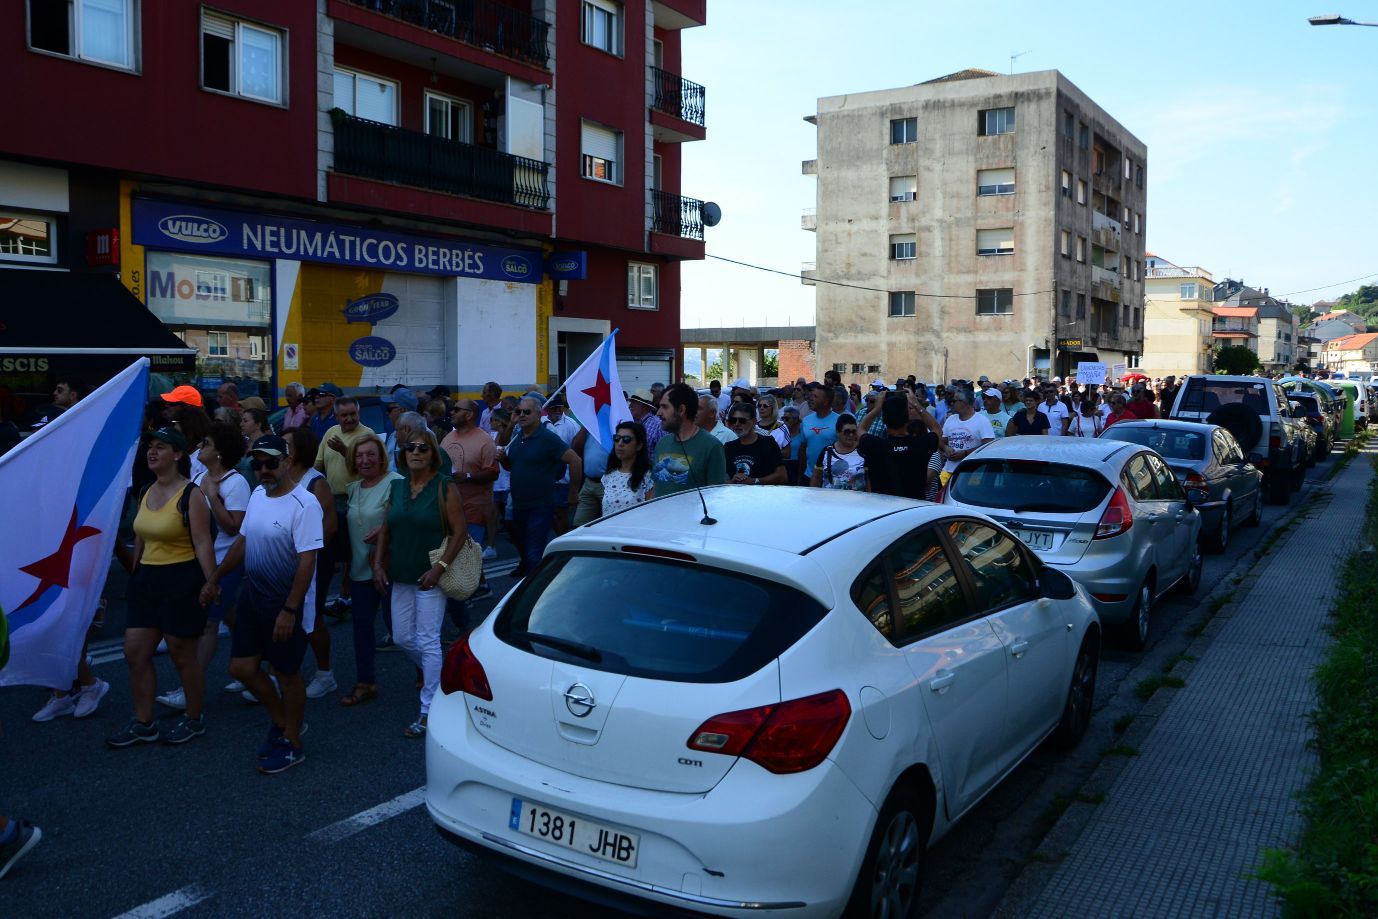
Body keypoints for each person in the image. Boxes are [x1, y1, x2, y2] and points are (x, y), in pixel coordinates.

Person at [203, 435, 323, 773]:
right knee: (240, 668)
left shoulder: (305, 504)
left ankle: (293, 744)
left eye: (271, 462)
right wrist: (215, 578)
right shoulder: (257, 495)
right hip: (252, 598)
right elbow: (243, 540)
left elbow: (307, 561)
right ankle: (284, 723)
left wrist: (289, 610)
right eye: (258, 464)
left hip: (285, 603)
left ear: (286, 461)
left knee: (286, 673)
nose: (264, 470)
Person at [107, 427, 217, 747]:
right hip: (147, 580)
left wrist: (211, 581)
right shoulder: (144, 490)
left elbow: (202, 542)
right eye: (150, 448)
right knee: (134, 651)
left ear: (178, 455)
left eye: (161, 447)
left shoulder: (191, 495)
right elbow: (140, 537)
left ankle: (194, 718)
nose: (152, 452)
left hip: (181, 580)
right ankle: (144, 722)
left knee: (183, 656)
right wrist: (134, 576)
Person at [373, 425, 465, 737]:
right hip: (400, 573)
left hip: (430, 576)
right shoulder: (397, 488)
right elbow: (386, 527)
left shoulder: (444, 487)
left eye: (422, 448)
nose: (415, 452)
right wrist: (377, 563)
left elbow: (459, 532)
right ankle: (438, 668)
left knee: (427, 639)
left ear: (434, 455)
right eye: (410, 448)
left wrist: (439, 568)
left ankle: (429, 709)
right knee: (401, 638)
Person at [155, 421, 250, 712]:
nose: (200, 447)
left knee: (209, 622)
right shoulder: (200, 477)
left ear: (220, 451)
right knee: (231, 615)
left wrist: (211, 496)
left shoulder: (236, 483)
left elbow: (235, 528)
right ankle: (257, 669)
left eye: (206, 443)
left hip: (227, 563)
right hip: (203, 562)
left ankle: (189, 688)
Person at [341, 434, 400, 707]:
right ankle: (366, 682)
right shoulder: (354, 488)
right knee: (361, 629)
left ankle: (424, 676)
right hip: (361, 570)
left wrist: (387, 533)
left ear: (381, 457)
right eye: (359, 455)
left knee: (402, 632)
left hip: (392, 568)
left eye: (370, 454)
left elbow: (406, 523)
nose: (364, 460)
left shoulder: (396, 482)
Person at [499, 397, 581, 576]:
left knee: (534, 554)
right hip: (520, 504)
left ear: (538, 414)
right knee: (527, 551)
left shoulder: (547, 438)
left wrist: (573, 492)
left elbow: (575, 460)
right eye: (518, 412)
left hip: (540, 505)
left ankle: (534, 597)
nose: (521, 415)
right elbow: (511, 466)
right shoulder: (518, 437)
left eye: (526, 412)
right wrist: (503, 459)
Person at [314, 396, 376, 625]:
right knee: (330, 550)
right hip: (332, 500)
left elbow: (371, 468)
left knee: (354, 552)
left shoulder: (367, 435)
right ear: (336, 416)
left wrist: (345, 450)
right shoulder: (330, 432)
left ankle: (347, 597)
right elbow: (318, 465)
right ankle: (324, 597)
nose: (349, 419)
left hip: (358, 498)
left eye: (353, 414)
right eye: (344, 415)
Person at [440, 399, 498, 596]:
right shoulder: (447, 438)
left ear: (470, 414)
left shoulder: (484, 440)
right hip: (451, 505)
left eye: (457, 410)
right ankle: (481, 585)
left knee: (466, 550)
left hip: (475, 505)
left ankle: (465, 595)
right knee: (463, 549)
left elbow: (493, 472)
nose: (452, 412)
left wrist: (468, 476)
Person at [651, 383, 727, 496]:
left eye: (665, 407)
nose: (658, 413)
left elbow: (716, 496)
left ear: (681, 410)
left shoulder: (712, 446)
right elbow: (656, 486)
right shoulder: (663, 443)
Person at [858, 396, 940, 500]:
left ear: (884, 419)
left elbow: (860, 429)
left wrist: (876, 408)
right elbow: (936, 430)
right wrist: (916, 404)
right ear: (907, 418)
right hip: (913, 509)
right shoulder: (919, 444)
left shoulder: (875, 445)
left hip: (884, 510)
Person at [723, 404, 786, 485]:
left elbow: (782, 476)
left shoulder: (768, 443)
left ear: (754, 422)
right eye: (733, 420)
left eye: (742, 420)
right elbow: (720, 479)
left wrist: (754, 481)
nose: (737, 424)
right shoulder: (728, 447)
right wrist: (732, 481)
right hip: (736, 495)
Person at [941, 391, 996, 481]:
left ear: (964, 402)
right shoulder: (950, 419)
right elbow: (942, 440)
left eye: (954, 401)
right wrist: (945, 448)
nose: (952, 403)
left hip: (972, 473)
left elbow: (989, 446)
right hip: (948, 471)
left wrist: (965, 453)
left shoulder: (982, 421)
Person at [601, 422, 654, 515]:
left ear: (639, 445)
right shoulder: (608, 475)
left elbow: (651, 513)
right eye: (617, 439)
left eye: (626, 439)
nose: (620, 443)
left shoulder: (648, 477)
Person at [811, 415, 868, 491]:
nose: (851, 435)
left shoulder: (863, 451)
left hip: (856, 501)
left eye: (854, 432)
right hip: (829, 500)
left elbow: (868, 480)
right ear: (838, 432)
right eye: (847, 432)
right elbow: (816, 477)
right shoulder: (827, 451)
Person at [569, 426, 610, 527]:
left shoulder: (615, 423)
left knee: (609, 524)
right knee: (578, 525)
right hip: (589, 483)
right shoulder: (589, 426)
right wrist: (586, 425)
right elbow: (575, 446)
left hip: (609, 484)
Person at [800, 383, 840, 478]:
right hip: (809, 476)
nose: (810, 399)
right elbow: (802, 449)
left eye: (815, 396)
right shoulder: (806, 420)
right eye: (810, 396)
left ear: (826, 401)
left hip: (831, 479)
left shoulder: (839, 421)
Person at [627, 390, 663, 463]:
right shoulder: (631, 421)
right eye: (631, 402)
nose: (630, 406)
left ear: (644, 407)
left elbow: (663, 452)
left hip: (650, 470)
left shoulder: (657, 425)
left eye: (634, 403)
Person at [780, 405, 805, 484]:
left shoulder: (802, 433)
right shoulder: (780, 433)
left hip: (797, 466)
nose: (784, 421)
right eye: (783, 418)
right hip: (782, 465)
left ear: (795, 419)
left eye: (787, 418)